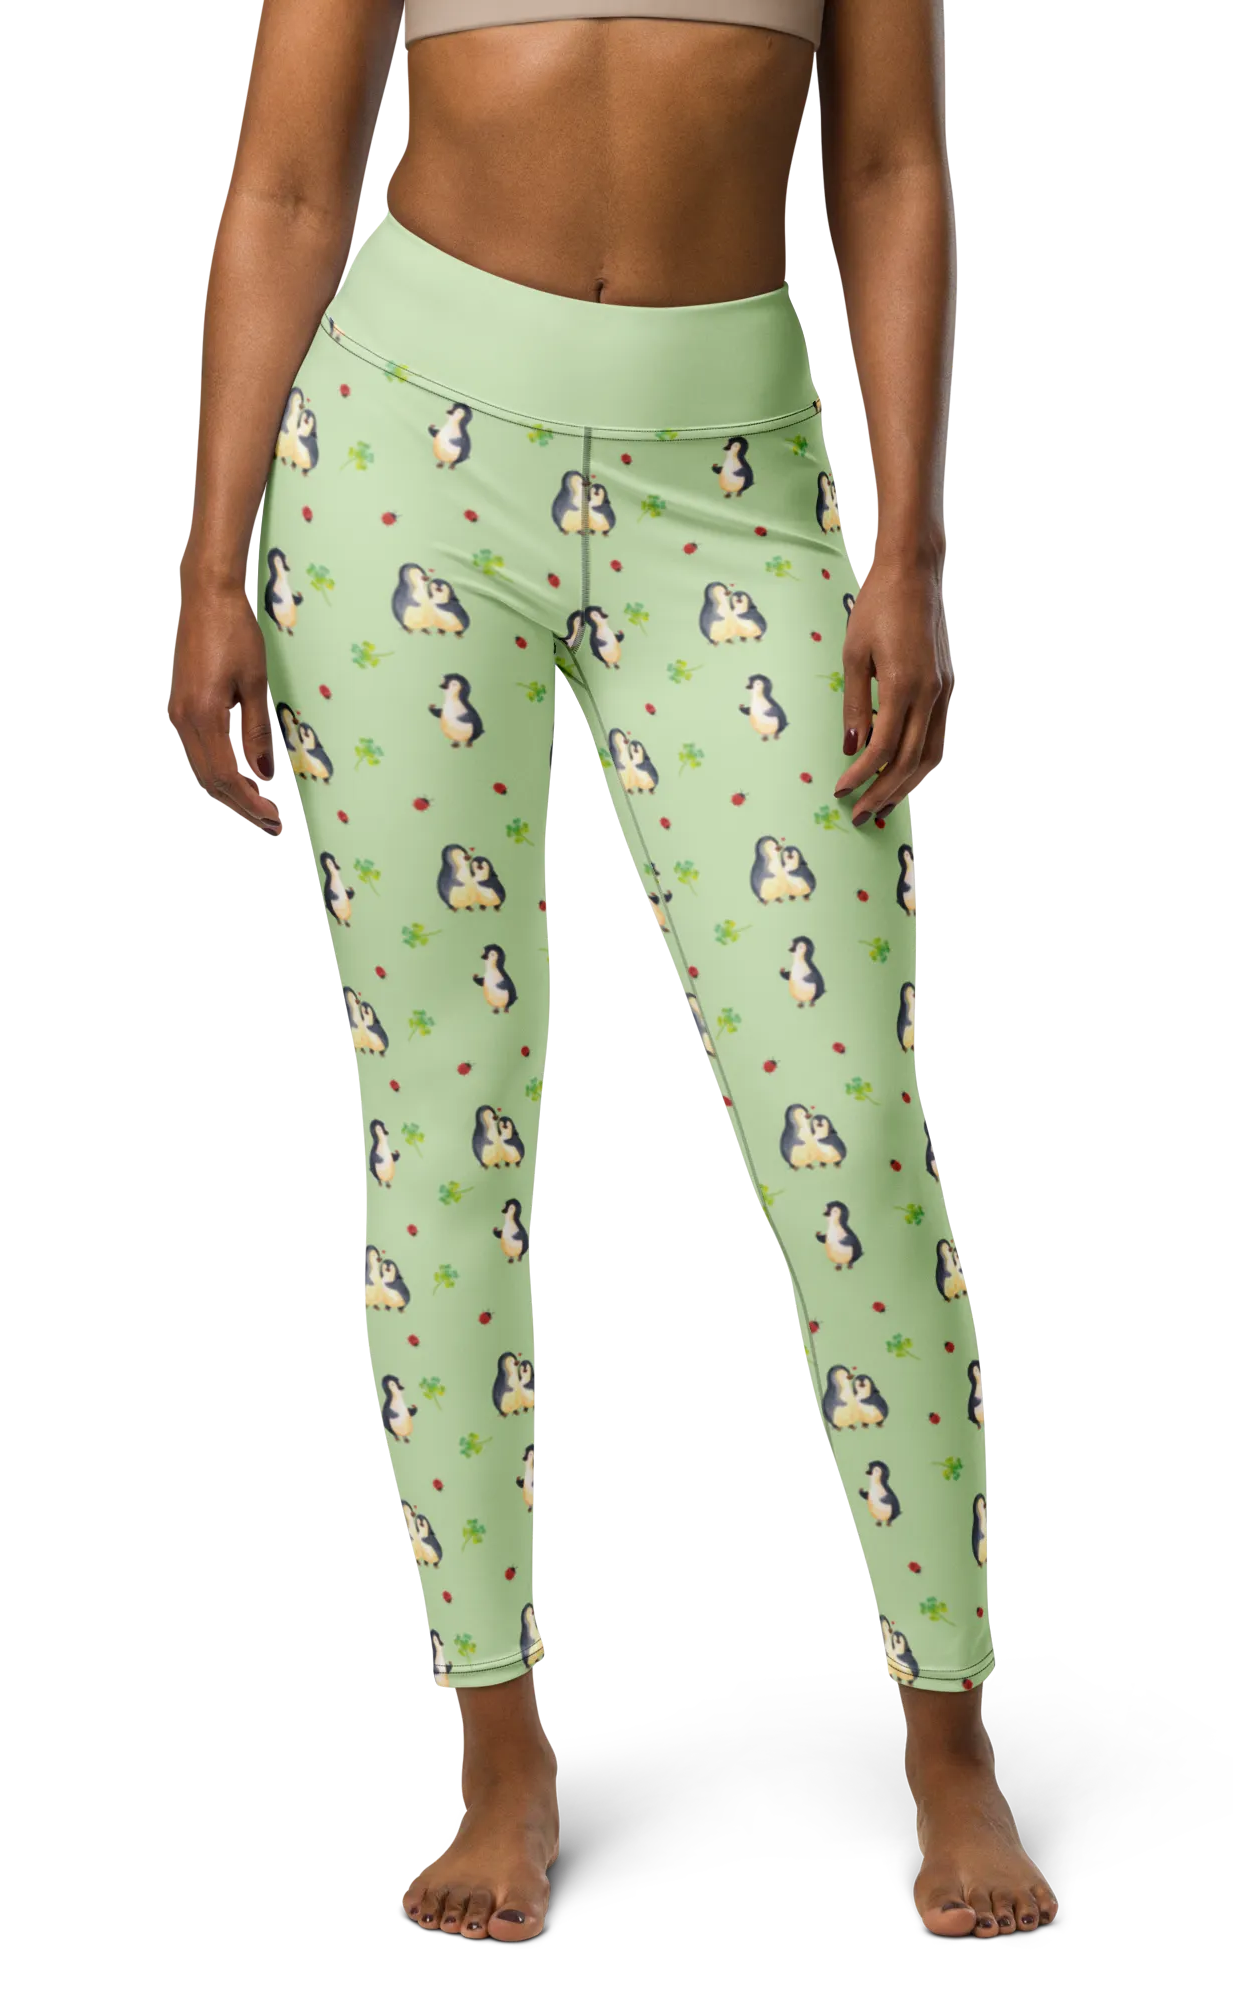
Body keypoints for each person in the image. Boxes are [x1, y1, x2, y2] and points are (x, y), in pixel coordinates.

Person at [166, 0, 1052, 1943]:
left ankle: (948, 1728)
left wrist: (910, 550)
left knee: (848, 1128)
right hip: (400, 465)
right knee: (442, 1125)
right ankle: (497, 1738)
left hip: (727, 484)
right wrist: (214, 563)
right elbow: (293, 180)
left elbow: (889, 163)